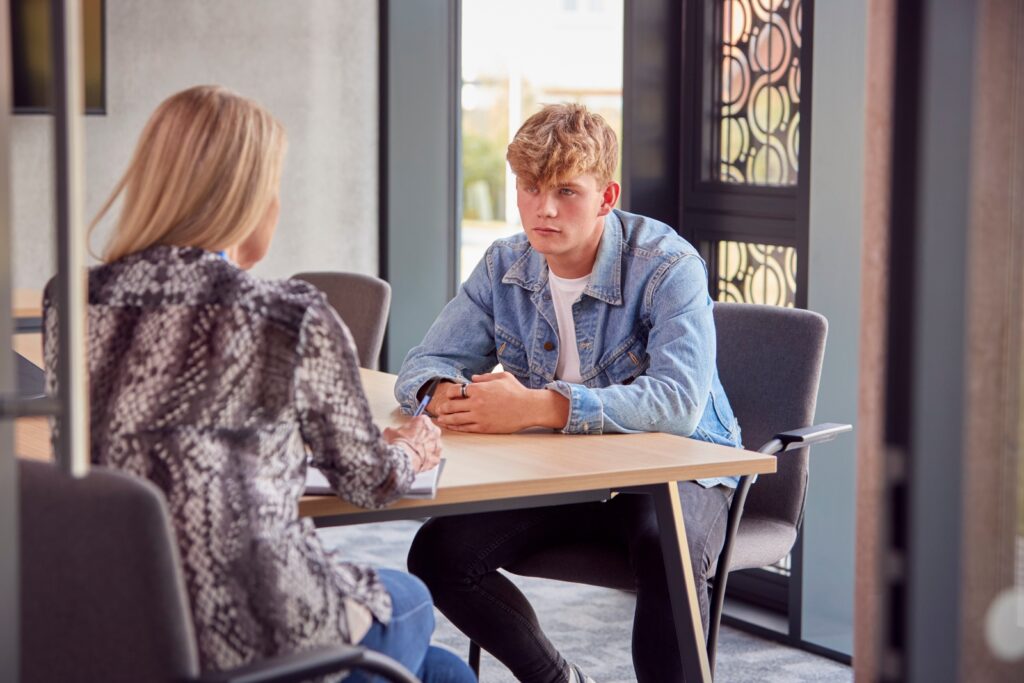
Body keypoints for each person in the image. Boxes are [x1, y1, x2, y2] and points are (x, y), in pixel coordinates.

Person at [42, 85, 474, 683]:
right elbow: (369, 481)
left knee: (442, 671)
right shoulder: (284, 314)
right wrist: (409, 448)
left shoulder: (71, 299)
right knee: (411, 599)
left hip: (117, 620)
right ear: (248, 198)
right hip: (250, 627)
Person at [397, 103, 742, 683]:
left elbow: (679, 403)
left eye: (566, 191)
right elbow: (425, 362)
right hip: (569, 473)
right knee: (438, 554)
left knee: (665, 548)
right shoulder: (505, 263)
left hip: (678, 468)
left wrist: (541, 406)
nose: (544, 209)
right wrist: (441, 394)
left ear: (607, 196)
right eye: (530, 188)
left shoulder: (667, 264)